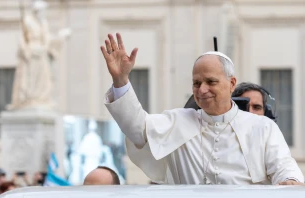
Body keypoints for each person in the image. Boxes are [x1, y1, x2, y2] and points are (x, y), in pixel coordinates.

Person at [101, 33, 304, 185]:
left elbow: (285, 167)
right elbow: (137, 128)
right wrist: (120, 80)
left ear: (232, 83)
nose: (202, 89)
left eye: (211, 81)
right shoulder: (177, 122)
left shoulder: (262, 127)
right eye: (196, 83)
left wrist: (290, 181)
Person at [8, 0, 70, 110]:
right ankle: (29, 98)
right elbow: (22, 40)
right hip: (31, 54)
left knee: (45, 79)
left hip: (41, 54)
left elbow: (47, 40)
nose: (44, 13)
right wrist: (26, 51)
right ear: (37, 11)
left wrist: (61, 36)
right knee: (30, 81)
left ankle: (40, 99)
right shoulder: (27, 21)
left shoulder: (43, 23)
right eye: (42, 11)